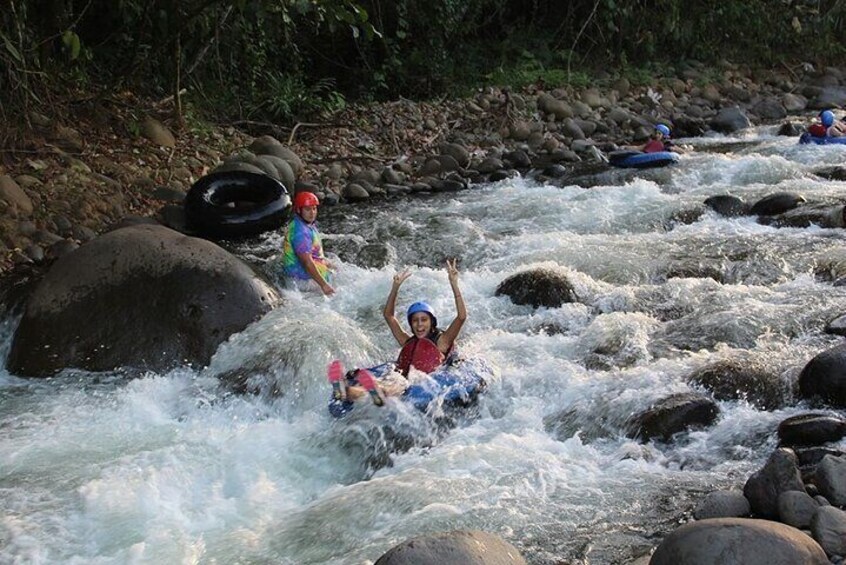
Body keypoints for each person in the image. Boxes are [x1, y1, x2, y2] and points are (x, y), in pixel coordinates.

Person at [331, 259, 467, 402]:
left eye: (424, 320)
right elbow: (388, 316)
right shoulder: (408, 341)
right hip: (404, 378)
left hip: (420, 383)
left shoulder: (442, 341)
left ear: (432, 322)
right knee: (388, 382)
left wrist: (454, 284)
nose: (419, 324)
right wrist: (395, 288)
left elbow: (461, 317)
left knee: (393, 386)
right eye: (415, 320)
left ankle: (351, 392)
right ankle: (349, 391)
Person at [281, 191, 334, 295]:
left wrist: (328, 264)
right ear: (299, 210)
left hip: (302, 276)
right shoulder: (300, 233)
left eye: (314, 208)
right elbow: (307, 263)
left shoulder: (303, 223)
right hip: (302, 281)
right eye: (307, 209)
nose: (312, 213)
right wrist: (324, 285)